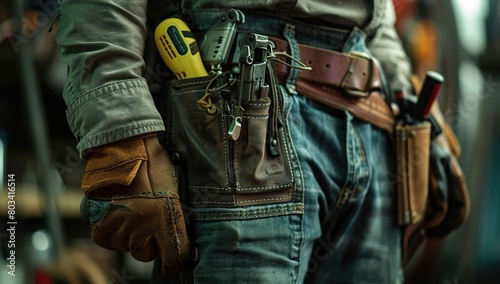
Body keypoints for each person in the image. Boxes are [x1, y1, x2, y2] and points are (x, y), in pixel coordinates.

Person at [56, 0, 414, 283]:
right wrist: (121, 131)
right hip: (239, 111)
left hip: (370, 125)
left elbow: (372, 19)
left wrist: (404, 93)